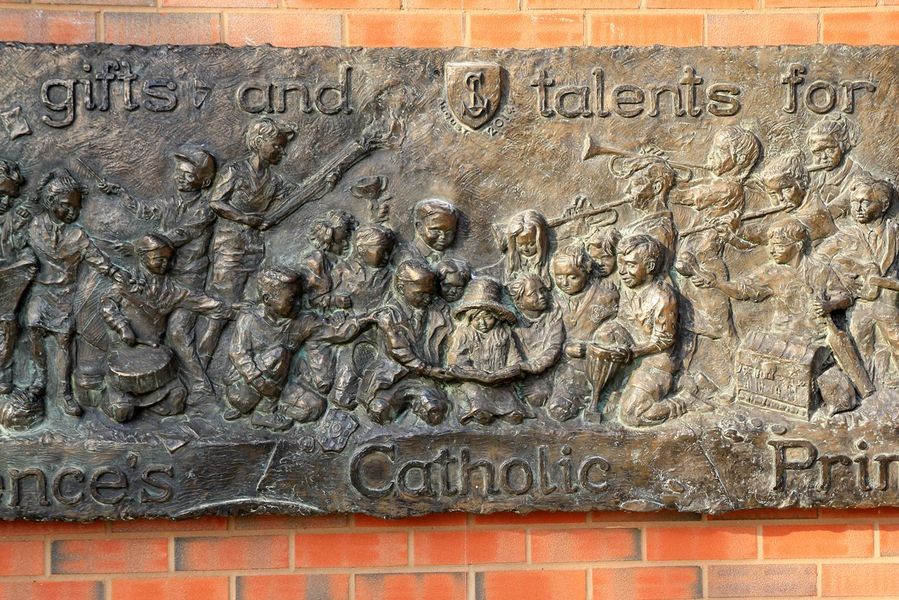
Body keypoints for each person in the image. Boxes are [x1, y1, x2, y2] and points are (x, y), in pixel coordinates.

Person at [102, 145, 218, 399]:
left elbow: (179, 235)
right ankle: (167, 383)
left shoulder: (204, 210)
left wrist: (137, 247)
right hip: (163, 276)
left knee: (178, 331)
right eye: (179, 173)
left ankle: (200, 384)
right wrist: (121, 193)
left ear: (205, 182)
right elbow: (146, 211)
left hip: (188, 277)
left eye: (188, 175)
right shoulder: (171, 203)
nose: (180, 178)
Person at [25, 169, 135, 417]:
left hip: (65, 295)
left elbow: (98, 259)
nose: (72, 212)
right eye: (66, 205)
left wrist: (117, 273)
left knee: (63, 342)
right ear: (50, 202)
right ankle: (39, 378)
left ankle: (64, 393)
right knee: (33, 326)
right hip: (40, 292)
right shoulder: (33, 226)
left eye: (76, 207)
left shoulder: (77, 235)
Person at [100, 234, 231, 422]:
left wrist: (231, 309)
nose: (165, 264)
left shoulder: (171, 289)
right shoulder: (127, 282)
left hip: (155, 356)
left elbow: (200, 300)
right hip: (126, 355)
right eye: (159, 259)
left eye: (168, 260)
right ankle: (121, 401)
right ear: (143, 257)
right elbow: (107, 304)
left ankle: (143, 407)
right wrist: (122, 327)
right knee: (121, 413)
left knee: (177, 400)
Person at [223, 266, 371, 430]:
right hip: (244, 388)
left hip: (278, 388)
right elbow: (238, 354)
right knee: (278, 354)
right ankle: (262, 410)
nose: (299, 304)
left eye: (300, 297)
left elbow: (336, 332)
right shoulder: (249, 319)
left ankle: (267, 411)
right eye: (292, 299)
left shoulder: (302, 322)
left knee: (315, 407)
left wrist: (366, 319)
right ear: (267, 299)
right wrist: (260, 382)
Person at [673, 126, 761, 397]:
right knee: (687, 328)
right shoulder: (716, 182)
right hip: (690, 264)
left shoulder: (728, 188)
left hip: (706, 267)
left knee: (724, 332)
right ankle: (681, 379)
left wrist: (663, 173)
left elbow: (683, 195)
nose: (712, 154)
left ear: (738, 159)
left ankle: (741, 383)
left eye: (720, 150)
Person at [588, 234, 680, 427]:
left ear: (650, 267)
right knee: (605, 333)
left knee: (631, 416)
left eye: (630, 265)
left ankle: (682, 402)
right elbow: (623, 320)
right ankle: (608, 390)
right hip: (631, 348)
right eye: (620, 264)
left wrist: (634, 352)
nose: (622, 271)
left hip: (655, 360)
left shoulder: (663, 297)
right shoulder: (628, 289)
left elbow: (665, 340)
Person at [818, 177, 899, 386]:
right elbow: (819, 258)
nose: (858, 208)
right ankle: (871, 388)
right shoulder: (847, 235)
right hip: (860, 304)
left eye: (865, 202)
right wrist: (845, 276)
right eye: (855, 202)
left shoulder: (895, 234)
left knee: (896, 340)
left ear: (884, 205)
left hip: (890, 303)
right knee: (860, 346)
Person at [360, 260, 453, 425]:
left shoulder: (439, 312)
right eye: (420, 294)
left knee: (435, 412)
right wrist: (429, 370)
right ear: (401, 288)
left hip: (425, 380)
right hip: (391, 379)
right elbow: (399, 350)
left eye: (431, 293)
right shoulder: (389, 315)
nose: (427, 298)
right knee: (379, 411)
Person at [329, 223, 396, 408]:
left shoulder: (389, 276)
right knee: (343, 392)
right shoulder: (341, 272)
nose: (386, 257)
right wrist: (337, 310)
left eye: (388, 252)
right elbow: (324, 302)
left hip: (380, 335)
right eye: (381, 251)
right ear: (361, 250)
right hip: (350, 333)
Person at [549, 243, 618, 421]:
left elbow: (618, 331)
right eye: (559, 277)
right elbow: (545, 336)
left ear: (586, 272)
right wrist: (565, 349)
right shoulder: (552, 300)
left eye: (572, 277)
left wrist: (597, 346)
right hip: (561, 365)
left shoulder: (606, 296)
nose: (564, 283)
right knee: (547, 404)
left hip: (594, 367)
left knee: (560, 410)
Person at [448, 277, 529, 425]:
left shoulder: (503, 333)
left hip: (499, 381)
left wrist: (502, 374)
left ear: (497, 318)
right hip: (472, 382)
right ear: (469, 319)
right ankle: (479, 413)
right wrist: (477, 375)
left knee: (512, 410)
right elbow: (456, 363)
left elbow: (515, 360)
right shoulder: (463, 334)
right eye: (477, 319)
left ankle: (507, 413)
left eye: (488, 318)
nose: (483, 323)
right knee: (476, 397)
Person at [509, 274, 564, 408]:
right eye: (533, 294)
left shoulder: (553, 315)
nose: (541, 296)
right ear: (519, 302)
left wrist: (536, 366)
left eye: (542, 290)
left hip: (549, 370)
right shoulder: (511, 324)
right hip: (520, 374)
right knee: (536, 396)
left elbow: (555, 346)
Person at [805, 115, 869, 217]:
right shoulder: (817, 178)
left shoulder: (858, 179)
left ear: (844, 146)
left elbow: (827, 214)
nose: (824, 157)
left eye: (830, 150)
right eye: (817, 152)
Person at [495, 209, 551, 284]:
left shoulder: (552, 260)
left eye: (531, 244)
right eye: (520, 244)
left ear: (541, 241)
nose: (525, 249)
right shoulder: (509, 263)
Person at [399, 198, 459, 265]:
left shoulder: (452, 258)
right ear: (419, 227)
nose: (443, 236)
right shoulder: (404, 255)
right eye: (436, 231)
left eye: (449, 232)